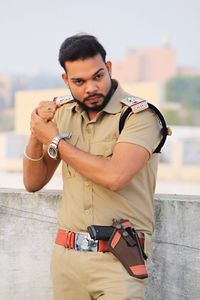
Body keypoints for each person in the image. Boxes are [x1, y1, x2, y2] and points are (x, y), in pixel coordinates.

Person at [23, 33, 165, 300]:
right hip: (66, 261)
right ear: (65, 80)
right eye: (79, 81)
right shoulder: (63, 113)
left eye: (98, 76)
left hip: (118, 261)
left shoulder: (139, 116)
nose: (91, 88)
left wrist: (54, 139)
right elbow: (33, 182)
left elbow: (115, 176)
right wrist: (36, 132)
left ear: (108, 69)